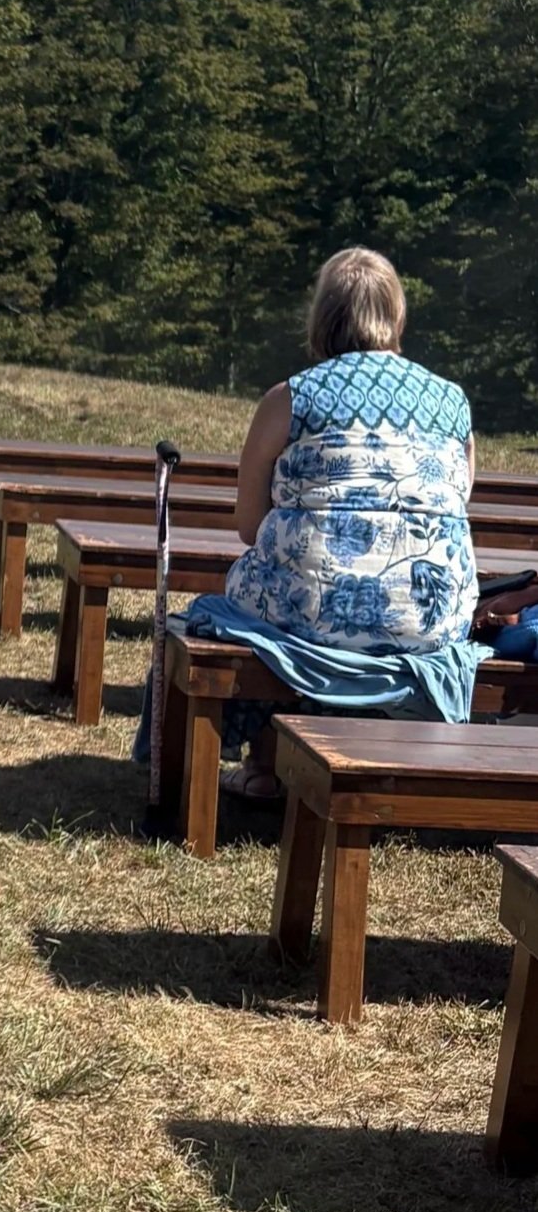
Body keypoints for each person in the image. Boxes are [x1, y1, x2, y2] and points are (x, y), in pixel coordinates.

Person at [194, 246, 482, 799]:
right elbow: (457, 500)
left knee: (260, 598)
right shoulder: (454, 405)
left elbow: (249, 525)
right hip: (429, 621)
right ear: (397, 316)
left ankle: (264, 764)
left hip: (313, 617)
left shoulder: (289, 399)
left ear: (320, 318)